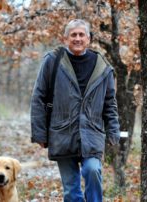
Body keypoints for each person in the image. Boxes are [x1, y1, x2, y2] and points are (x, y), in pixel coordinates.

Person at [30, 19, 120, 202]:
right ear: (65, 38)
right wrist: (39, 133)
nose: (77, 38)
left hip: (92, 134)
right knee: (71, 189)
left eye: (81, 35)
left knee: (92, 169)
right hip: (62, 133)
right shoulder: (53, 61)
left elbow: (110, 103)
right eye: (73, 35)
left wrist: (113, 131)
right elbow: (38, 97)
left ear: (88, 38)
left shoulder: (102, 66)